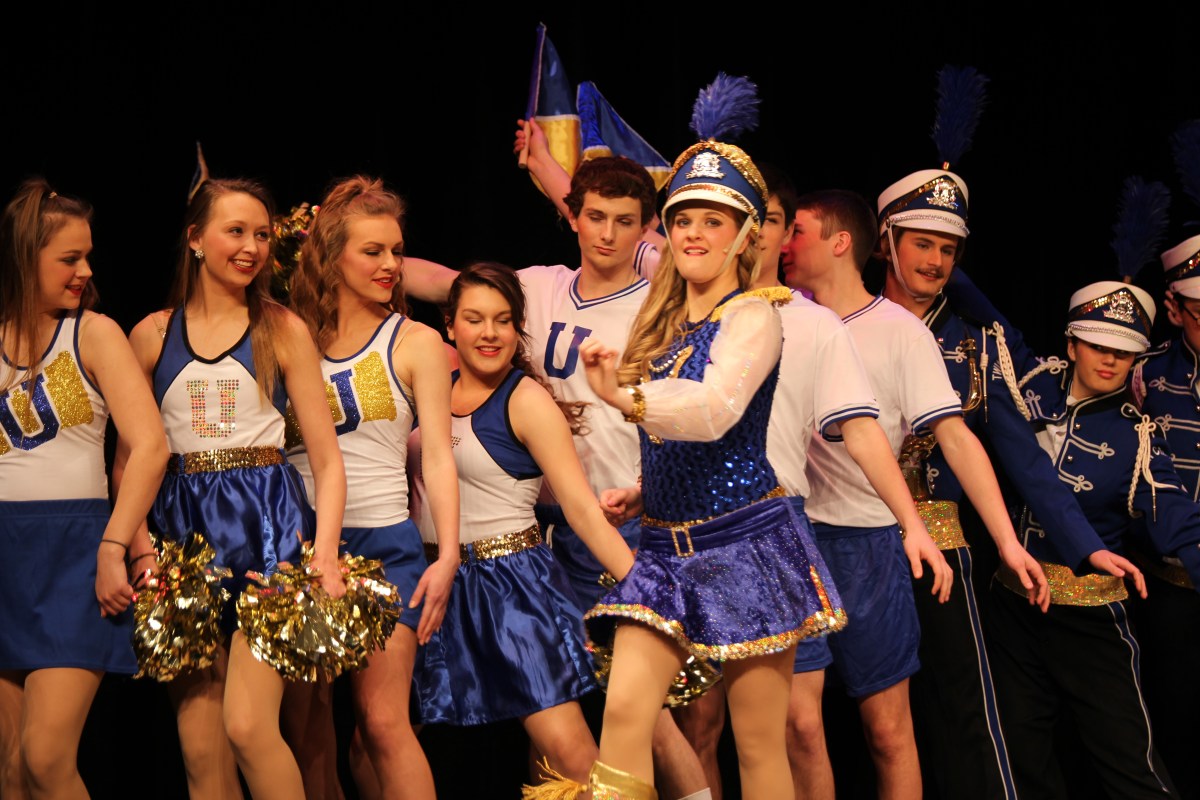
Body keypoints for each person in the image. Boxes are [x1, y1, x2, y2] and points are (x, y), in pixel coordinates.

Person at [576, 85, 847, 799]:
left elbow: (715, 410)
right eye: (683, 219)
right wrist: (647, 491)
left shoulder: (755, 316)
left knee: (757, 746)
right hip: (663, 551)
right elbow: (684, 439)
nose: (694, 233)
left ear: (744, 235)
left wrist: (623, 397)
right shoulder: (667, 325)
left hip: (744, 547)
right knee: (625, 714)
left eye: (713, 220)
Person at [874, 165, 1145, 799]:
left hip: (942, 545)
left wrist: (1084, 546)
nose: (935, 261)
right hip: (847, 531)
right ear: (886, 241)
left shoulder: (976, 342)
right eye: (922, 243)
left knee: (966, 711)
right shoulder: (843, 318)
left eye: (948, 249)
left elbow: (1026, 460)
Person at [783, 188, 1047, 800]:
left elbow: (956, 438)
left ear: (839, 242)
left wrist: (1007, 543)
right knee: (798, 727)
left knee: (887, 731)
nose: (784, 244)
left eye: (797, 231)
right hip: (789, 540)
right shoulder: (779, 318)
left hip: (867, 545)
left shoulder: (899, 332)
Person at [124, 177, 347, 800]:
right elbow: (126, 463)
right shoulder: (152, 335)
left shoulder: (281, 329)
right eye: (236, 231)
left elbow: (327, 462)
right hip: (181, 541)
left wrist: (325, 555)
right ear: (195, 239)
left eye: (262, 234)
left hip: (269, 532)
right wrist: (138, 547)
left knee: (248, 727)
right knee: (202, 750)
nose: (251, 247)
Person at [408, 262, 634, 788]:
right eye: (474, 319)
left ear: (518, 328)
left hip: (511, 590)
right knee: (377, 737)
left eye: (503, 320)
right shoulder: (434, 388)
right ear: (450, 326)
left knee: (572, 758)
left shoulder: (526, 400)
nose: (489, 333)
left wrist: (642, 584)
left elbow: (581, 509)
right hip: (435, 584)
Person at [988, 278, 1199, 798]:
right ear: (1072, 345)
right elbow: (984, 312)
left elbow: (1179, 521)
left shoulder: (1137, 438)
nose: (1109, 360)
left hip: (1089, 616)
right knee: (1020, 755)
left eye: (1123, 353)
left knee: (1129, 762)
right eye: (1098, 346)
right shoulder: (1031, 385)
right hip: (1013, 606)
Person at [286, 176, 459, 800]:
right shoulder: (289, 337)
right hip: (299, 547)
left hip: (387, 547)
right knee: (306, 732)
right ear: (332, 257)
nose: (391, 265)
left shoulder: (415, 342)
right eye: (373, 251)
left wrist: (447, 554)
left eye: (396, 251)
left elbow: (438, 457)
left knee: (383, 722)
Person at [0, 180, 167, 799]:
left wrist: (114, 546)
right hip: (7, 555)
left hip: (75, 551)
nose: (86, 271)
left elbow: (151, 447)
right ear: (26, 259)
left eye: (87, 256)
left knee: (45, 758)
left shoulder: (94, 333)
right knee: (11, 771)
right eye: (69, 258)